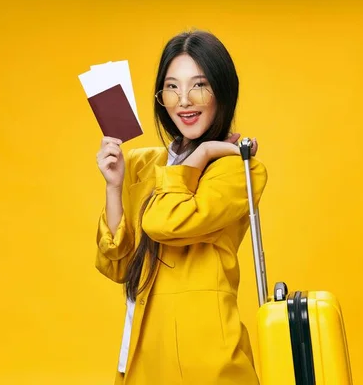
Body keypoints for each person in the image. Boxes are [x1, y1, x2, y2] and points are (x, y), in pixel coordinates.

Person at [94, 30, 268, 384]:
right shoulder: (143, 165)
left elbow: (165, 224)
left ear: (223, 90)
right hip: (143, 356)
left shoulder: (238, 168)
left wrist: (201, 155)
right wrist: (114, 187)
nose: (184, 100)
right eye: (172, 87)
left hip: (207, 361)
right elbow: (120, 268)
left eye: (199, 85)